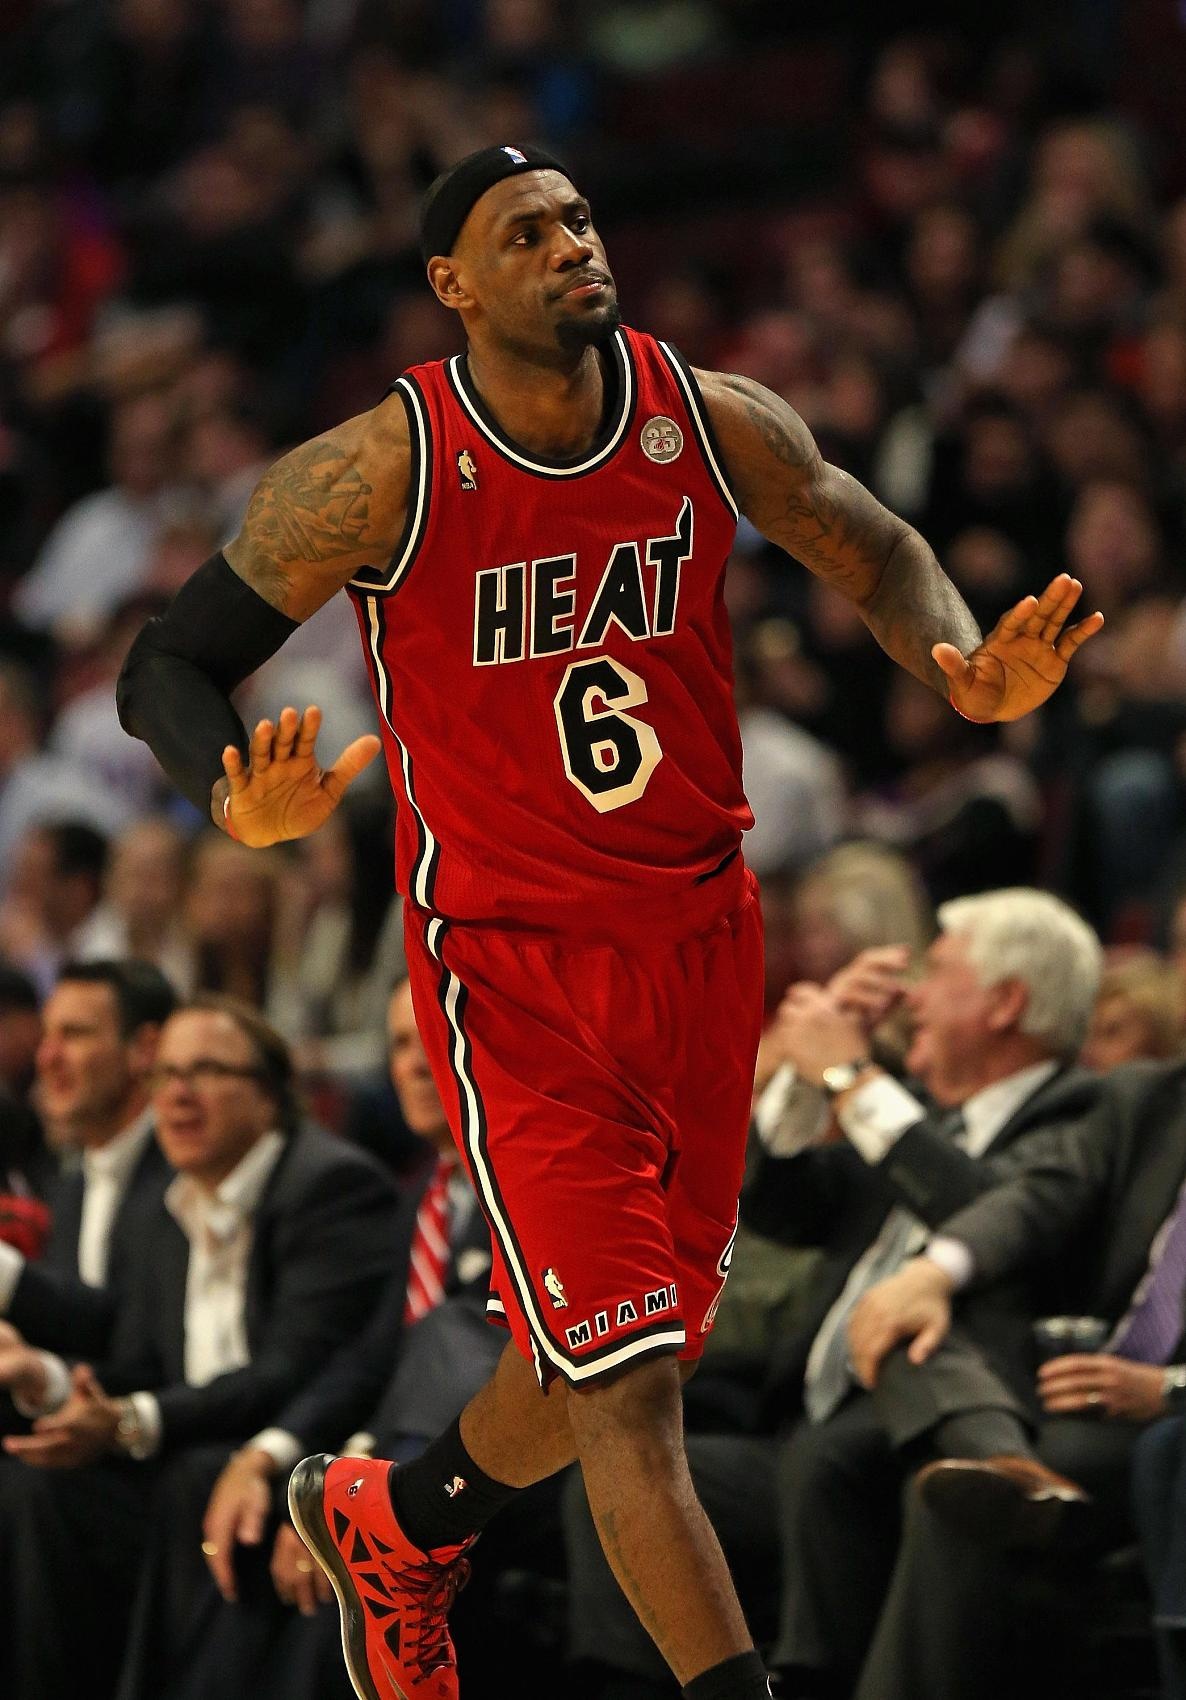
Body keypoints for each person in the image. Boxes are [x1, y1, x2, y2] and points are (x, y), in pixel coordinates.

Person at [116, 142, 1102, 1700]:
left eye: (575, 218)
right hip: (519, 970)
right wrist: (239, 806)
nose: (570, 244)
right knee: (631, 1390)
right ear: (451, 285)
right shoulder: (385, 468)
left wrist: (961, 668)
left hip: (703, 945)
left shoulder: (703, 415)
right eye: (524, 233)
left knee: (597, 1360)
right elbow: (163, 664)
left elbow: (874, 547)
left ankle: (395, 1524)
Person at [563, 888, 1103, 1699]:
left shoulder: (1080, 1115)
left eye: (938, 973)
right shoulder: (923, 1118)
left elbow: (991, 1218)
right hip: (801, 1426)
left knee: (825, 1468)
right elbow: (779, 1199)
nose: (912, 997)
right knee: (625, 1481)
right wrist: (808, 1080)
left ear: (1006, 1003)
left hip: (933, 1434)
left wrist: (850, 1074)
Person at [0, 994, 399, 1700]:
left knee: (191, 1476)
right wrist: (51, 1381)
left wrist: (134, 1420)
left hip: (297, 1452)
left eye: (206, 1071)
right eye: (165, 1075)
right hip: (192, 1454)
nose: (177, 1094)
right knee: (41, 1486)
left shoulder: (330, 1185)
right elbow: (148, 1364)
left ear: (269, 1096)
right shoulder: (171, 1203)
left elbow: (294, 1368)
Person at [839, 1055, 1186, 1700]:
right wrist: (933, 1272)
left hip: (1160, 1416)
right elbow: (1038, 1195)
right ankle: (1003, 1460)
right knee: (911, 1323)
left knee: (954, 1504)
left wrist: (1166, 1387)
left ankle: (1006, 1473)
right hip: (1071, 1373)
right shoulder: (1151, 1095)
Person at [0, 959, 176, 1372]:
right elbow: (80, 1339)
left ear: (145, 1049)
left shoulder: (186, 1177)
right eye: (46, 1036)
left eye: (74, 1034)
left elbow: (137, 1337)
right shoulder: (67, 1186)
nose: (47, 1057)